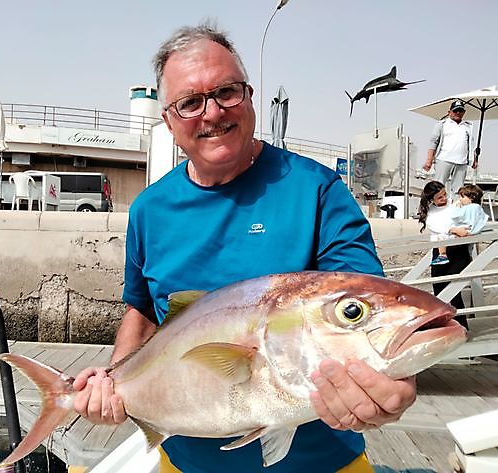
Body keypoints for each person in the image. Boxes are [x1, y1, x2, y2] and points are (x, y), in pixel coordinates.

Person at [73, 23, 416, 473]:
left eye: (226, 92)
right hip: (183, 464)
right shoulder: (149, 210)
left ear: (250, 96)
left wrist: (394, 378)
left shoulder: (316, 189)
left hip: (323, 464)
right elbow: (141, 309)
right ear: (169, 122)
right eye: (190, 102)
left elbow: (362, 304)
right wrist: (114, 381)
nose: (212, 113)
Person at [418, 180, 474, 328]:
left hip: (457, 249)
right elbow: (435, 226)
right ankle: (444, 325)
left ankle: (461, 327)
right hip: (440, 250)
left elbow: (466, 219)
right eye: (440, 197)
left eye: (444, 194)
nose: (444, 198)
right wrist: (453, 229)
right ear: (432, 200)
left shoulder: (455, 204)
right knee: (438, 287)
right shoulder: (430, 212)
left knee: (453, 288)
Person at [422, 99, 477, 199]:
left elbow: (471, 144)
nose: (458, 113)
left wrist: (474, 159)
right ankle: (434, 209)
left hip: (461, 162)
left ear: (464, 112)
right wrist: (429, 161)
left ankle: (457, 211)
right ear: (449, 112)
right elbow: (433, 142)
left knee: (459, 190)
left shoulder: (468, 126)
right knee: (437, 187)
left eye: (460, 111)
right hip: (444, 159)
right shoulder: (442, 124)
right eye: (455, 110)